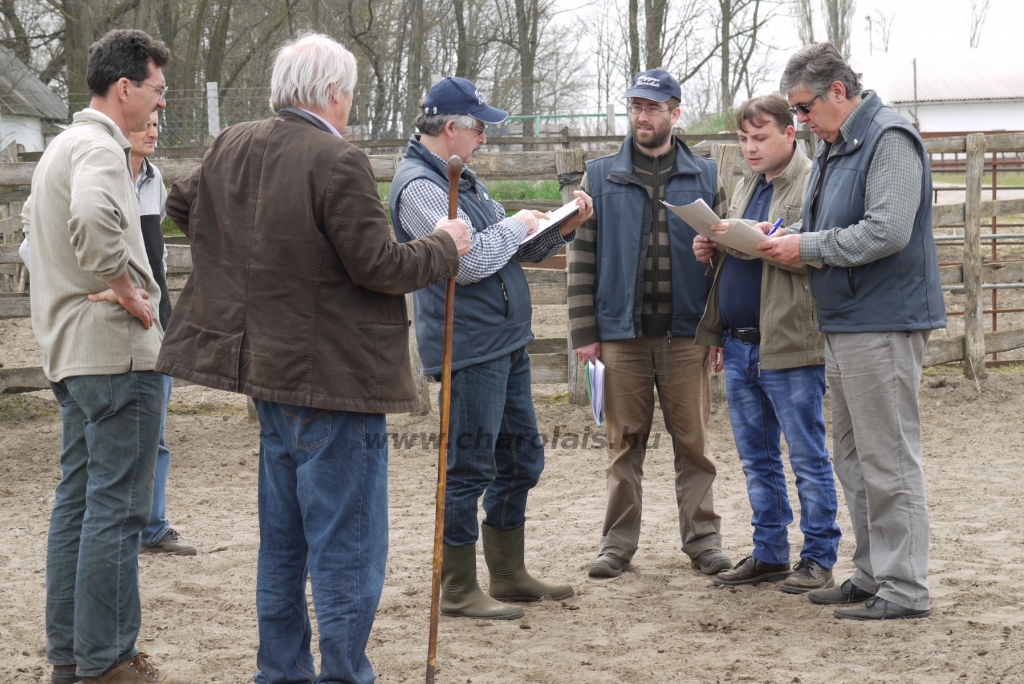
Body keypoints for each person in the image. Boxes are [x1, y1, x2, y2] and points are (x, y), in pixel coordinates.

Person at [155, 34, 469, 683]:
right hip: (336, 384)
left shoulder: (231, 144)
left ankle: (281, 672)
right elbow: (379, 265)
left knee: (284, 545)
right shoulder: (337, 159)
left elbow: (182, 206)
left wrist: (250, 269)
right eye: (348, 93)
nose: (349, 105)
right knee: (345, 551)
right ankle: (344, 675)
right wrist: (444, 244)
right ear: (331, 92)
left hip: (268, 378)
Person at [389, 76, 592, 620]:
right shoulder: (420, 188)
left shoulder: (463, 178)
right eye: (479, 128)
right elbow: (470, 261)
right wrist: (513, 225)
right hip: (468, 345)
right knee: (469, 466)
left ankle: (506, 572)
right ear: (451, 127)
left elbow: (510, 250)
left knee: (521, 457)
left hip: (503, 340)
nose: (485, 139)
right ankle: (457, 586)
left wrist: (559, 227)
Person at [24, 29, 192, 684]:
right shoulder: (100, 148)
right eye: (157, 92)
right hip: (117, 358)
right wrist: (123, 281)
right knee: (118, 510)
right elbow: (95, 219)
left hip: (72, 355)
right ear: (125, 89)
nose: (160, 107)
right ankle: (110, 662)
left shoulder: (60, 147)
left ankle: (71, 655)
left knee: (78, 502)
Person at [758, 42, 946, 620]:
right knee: (854, 459)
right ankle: (872, 573)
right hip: (846, 323)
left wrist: (806, 247)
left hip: (883, 322)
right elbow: (827, 226)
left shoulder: (888, 139)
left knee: (887, 458)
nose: (800, 121)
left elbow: (887, 230)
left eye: (804, 108)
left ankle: (906, 587)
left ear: (838, 92)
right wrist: (775, 234)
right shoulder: (839, 146)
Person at [568, 69, 733, 579]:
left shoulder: (705, 176)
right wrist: (584, 331)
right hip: (621, 337)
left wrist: (718, 330)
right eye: (637, 106)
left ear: (674, 113)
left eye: (654, 107)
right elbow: (582, 257)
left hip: (688, 336)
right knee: (624, 447)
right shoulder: (599, 176)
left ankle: (703, 541)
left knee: (695, 446)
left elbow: (727, 261)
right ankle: (617, 545)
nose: (643, 115)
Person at [692, 95, 841, 593]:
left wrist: (762, 238)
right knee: (756, 457)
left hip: (791, 343)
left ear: (789, 134)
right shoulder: (744, 183)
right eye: (743, 139)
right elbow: (740, 257)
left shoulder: (816, 180)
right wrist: (711, 248)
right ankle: (770, 552)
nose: (750, 148)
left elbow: (818, 249)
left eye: (760, 138)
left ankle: (819, 557)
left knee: (806, 455)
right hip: (738, 343)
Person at [126, 111, 197, 557]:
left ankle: (152, 525)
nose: (153, 131)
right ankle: (116, 525)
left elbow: (156, 253)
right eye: (143, 123)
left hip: (158, 320)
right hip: (115, 321)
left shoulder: (153, 181)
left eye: (156, 124)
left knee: (157, 431)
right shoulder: (97, 175)